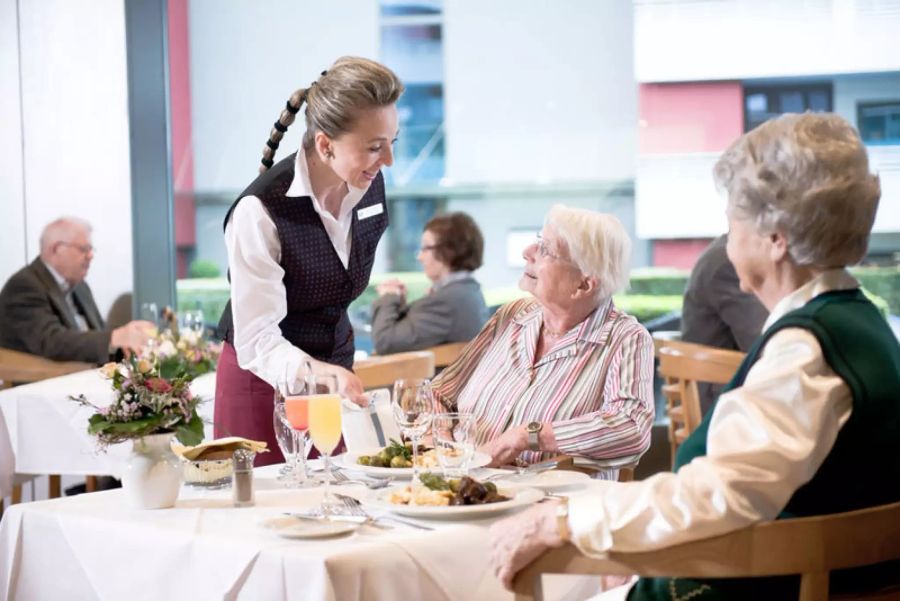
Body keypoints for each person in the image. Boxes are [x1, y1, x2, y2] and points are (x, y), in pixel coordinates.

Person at [489, 113, 900, 599]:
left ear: (775, 239)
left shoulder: (805, 350)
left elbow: (718, 496)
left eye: (732, 221)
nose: (725, 240)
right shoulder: (856, 323)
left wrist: (564, 520)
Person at [214, 56, 403, 466]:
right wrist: (316, 373)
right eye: (374, 147)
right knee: (262, 520)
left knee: (337, 506)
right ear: (324, 144)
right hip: (262, 382)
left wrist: (330, 371)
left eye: (392, 143)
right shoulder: (259, 211)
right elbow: (256, 338)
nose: (387, 161)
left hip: (333, 379)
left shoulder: (367, 184)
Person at [431, 205, 654, 475]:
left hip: (549, 506)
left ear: (584, 284)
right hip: (461, 489)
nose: (528, 252)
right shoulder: (512, 316)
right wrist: (440, 441)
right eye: (539, 241)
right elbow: (439, 392)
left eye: (546, 250)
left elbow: (632, 429)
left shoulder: (626, 339)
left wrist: (528, 436)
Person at [0, 217, 152, 364]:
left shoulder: (81, 287)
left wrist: (129, 338)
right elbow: (52, 342)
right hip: (42, 382)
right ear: (56, 249)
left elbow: (97, 332)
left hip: (85, 376)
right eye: (84, 249)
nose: (91, 256)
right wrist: (115, 337)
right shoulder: (24, 286)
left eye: (91, 249)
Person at [371, 212, 488, 354]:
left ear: (449, 251)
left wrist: (389, 296)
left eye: (425, 248)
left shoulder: (446, 301)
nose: (420, 257)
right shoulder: (466, 292)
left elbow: (385, 341)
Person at [681, 233, 768, 412]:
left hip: (732, 396)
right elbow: (765, 345)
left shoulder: (730, 252)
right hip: (723, 409)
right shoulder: (728, 262)